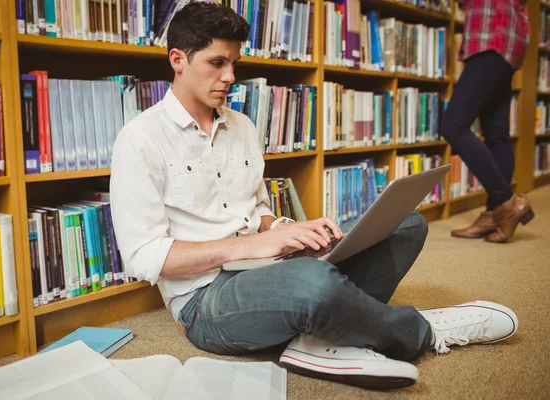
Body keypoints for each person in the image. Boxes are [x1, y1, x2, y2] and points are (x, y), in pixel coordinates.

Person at [110, 1, 519, 391]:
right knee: (313, 283)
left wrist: (290, 230)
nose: (231, 76)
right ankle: (419, 331)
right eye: (217, 63)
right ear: (178, 59)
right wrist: (256, 246)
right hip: (205, 300)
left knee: (406, 224)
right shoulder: (140, 139)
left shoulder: (242, 126)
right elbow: (145, 256)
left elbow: (256, 210)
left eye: (234, 63)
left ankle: (322, 332)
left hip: (268, 267)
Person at [443, 0, 534, 242]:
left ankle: (506, 202)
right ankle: (494, 214)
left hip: (491, 35)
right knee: (497, 134)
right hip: (509, 38)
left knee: (453, 125)